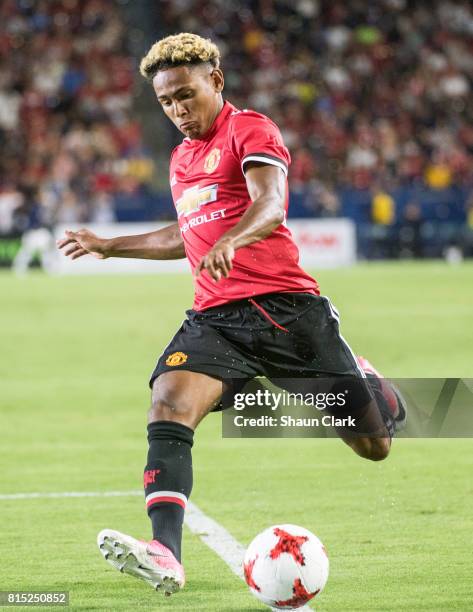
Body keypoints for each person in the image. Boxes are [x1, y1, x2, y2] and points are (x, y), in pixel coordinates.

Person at [57, 33, 406, 599]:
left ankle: (369, 383)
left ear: (215, 82)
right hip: (215, 317)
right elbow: (184, 233)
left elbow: (270, 204)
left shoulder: (250, 129)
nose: (177, 111)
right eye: (166, 101)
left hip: (286, 313)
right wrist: (110, 246)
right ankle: (165, 552)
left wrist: (232, 241)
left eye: (186, 96)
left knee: (373, 447)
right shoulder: (181, 158)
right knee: (168, 402)